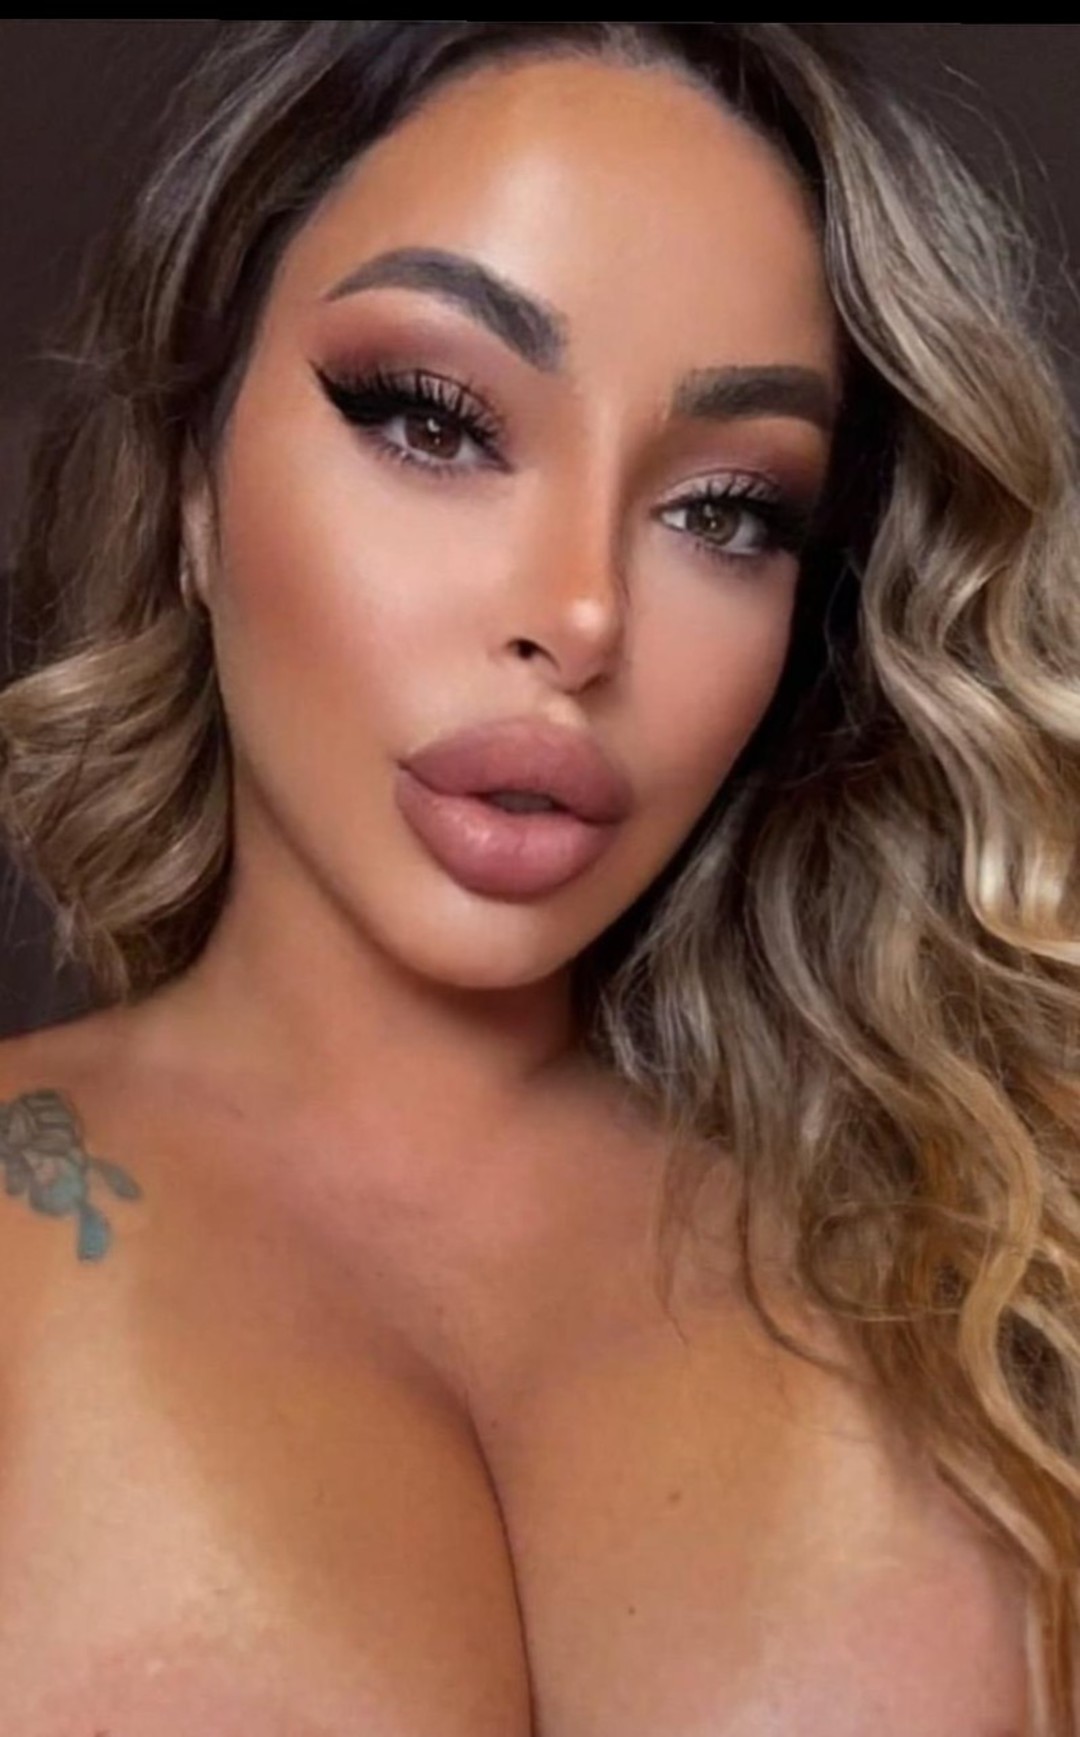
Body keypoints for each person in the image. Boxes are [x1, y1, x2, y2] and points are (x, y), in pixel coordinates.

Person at [0, 20, 1076, 1735]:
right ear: (194, 482)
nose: (581, 616)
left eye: (727, 510)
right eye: (435, 421)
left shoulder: (999, 1284)